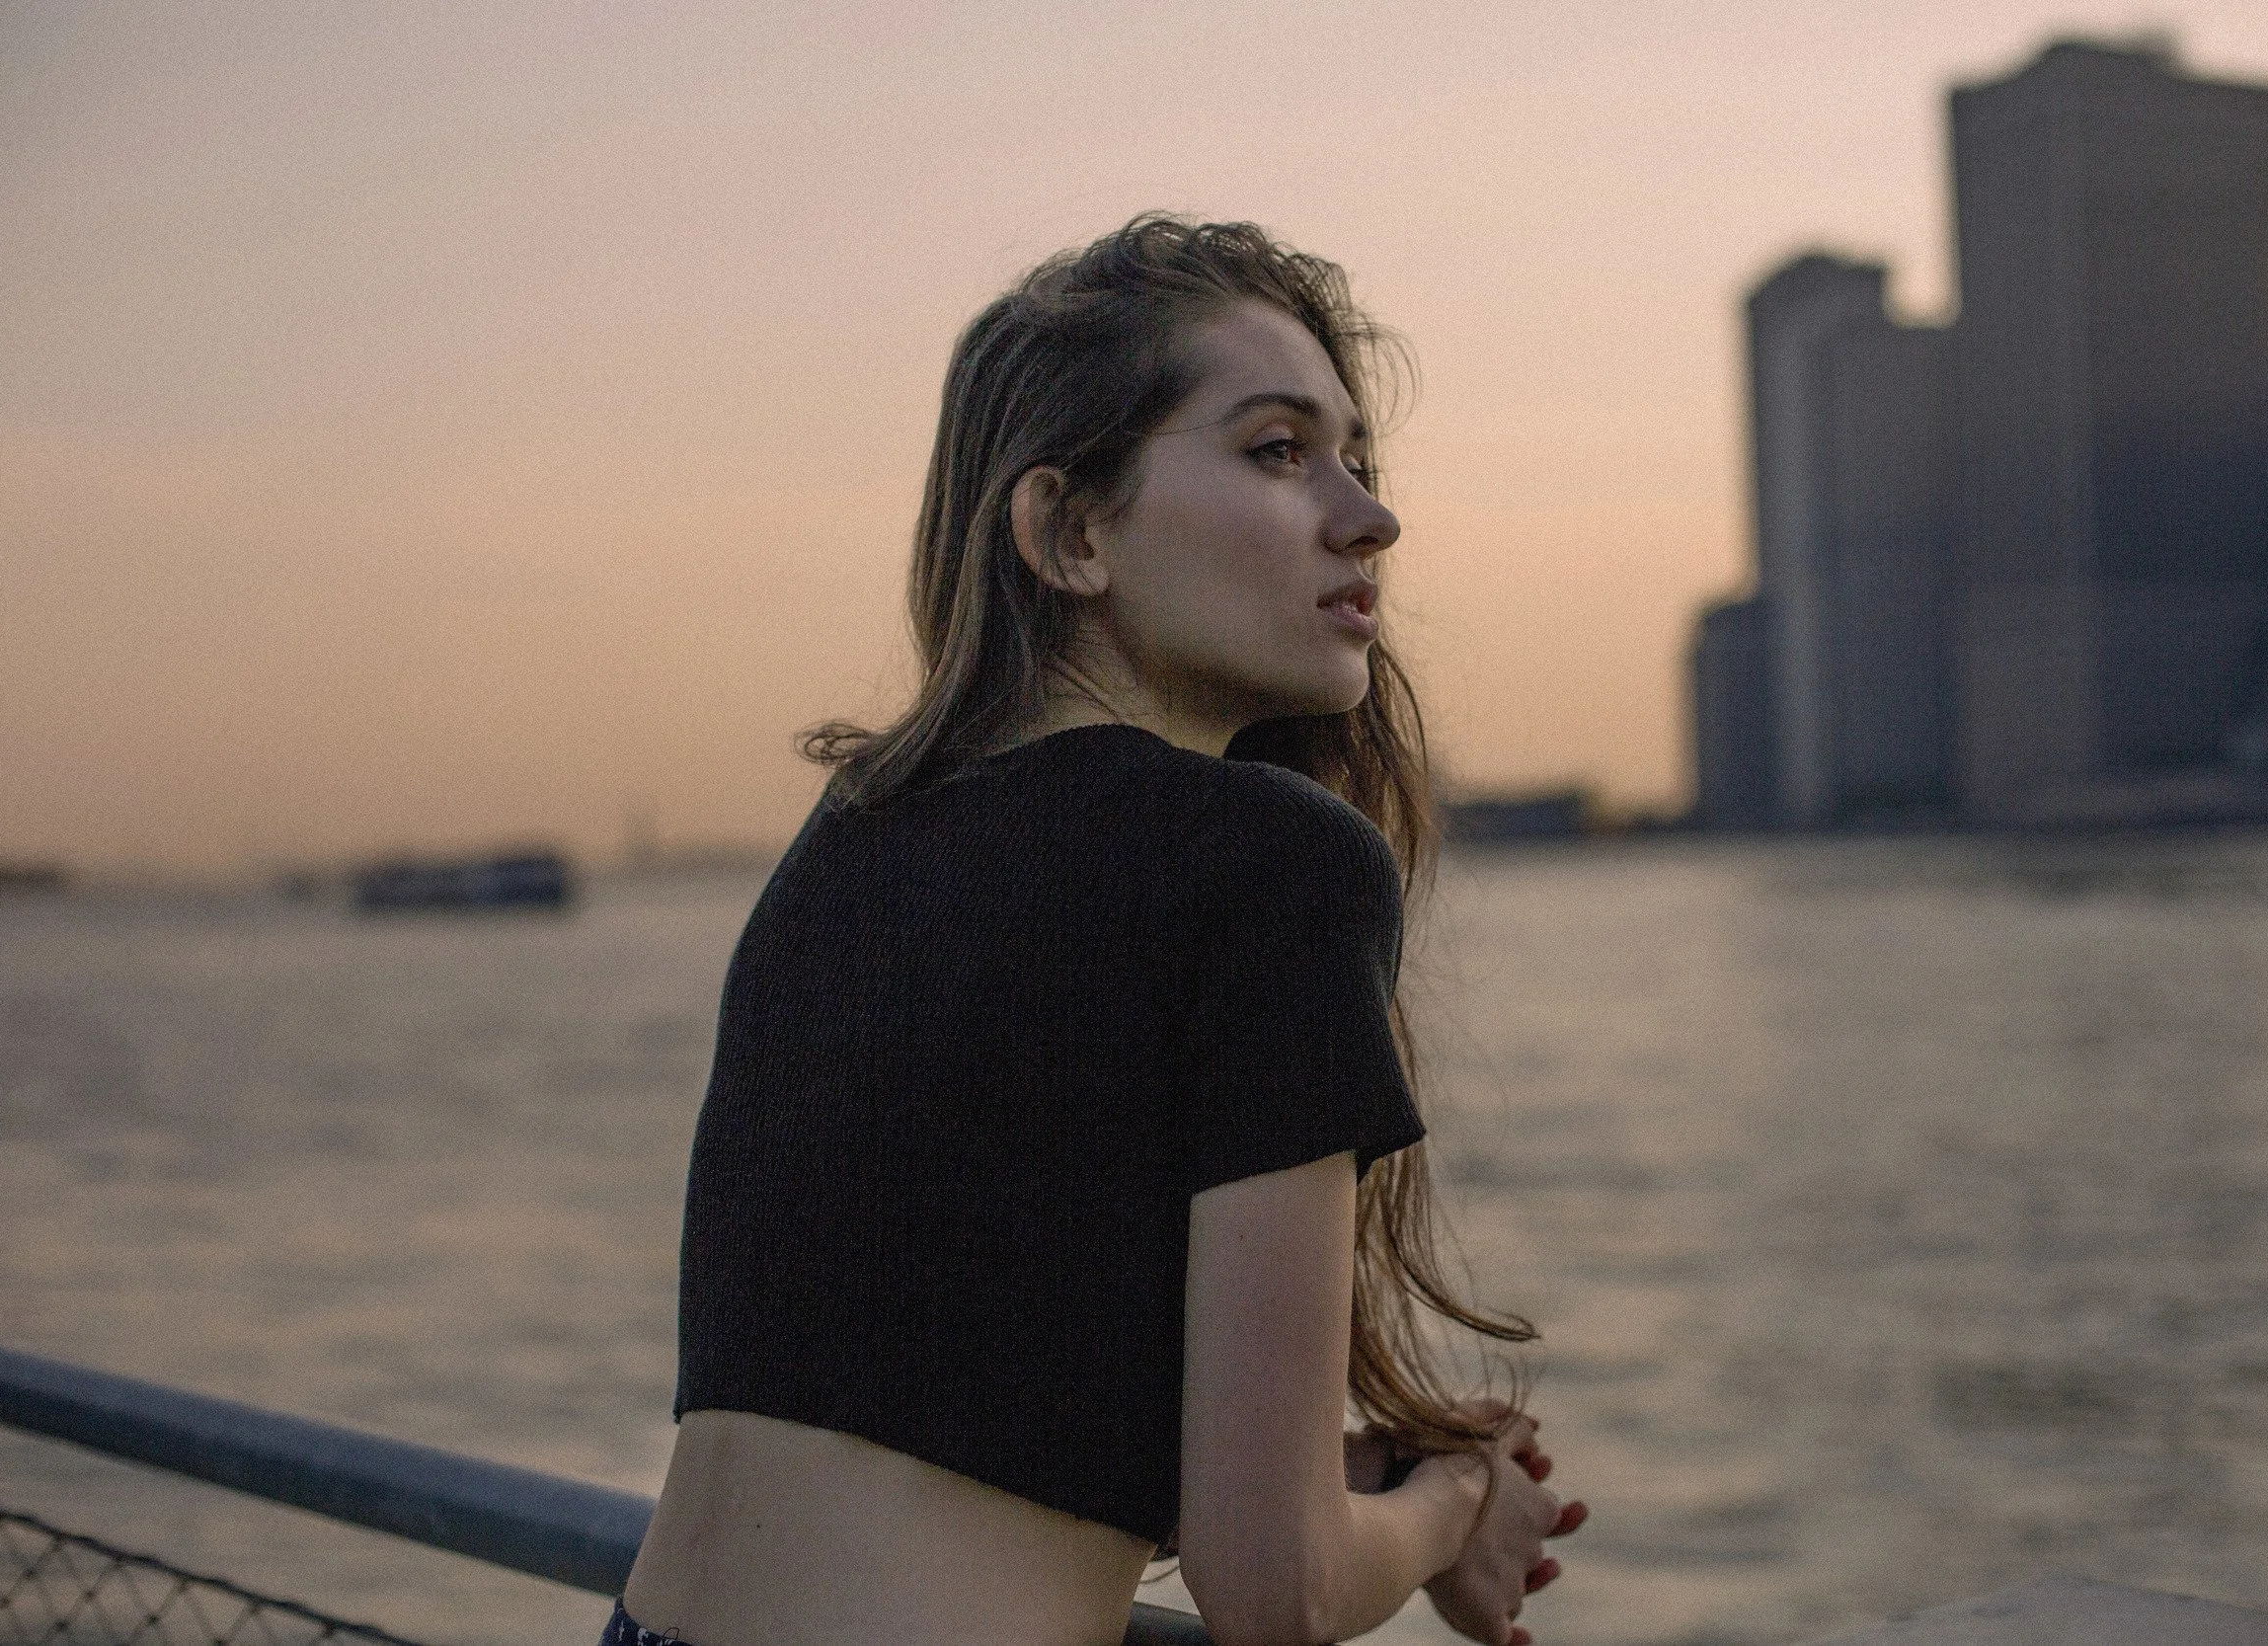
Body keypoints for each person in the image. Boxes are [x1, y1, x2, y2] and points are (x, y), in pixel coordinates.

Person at [611, 214, 1585, 1646]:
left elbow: (954, 1394)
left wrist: (1321, 1467)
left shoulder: (851, 840)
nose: (1368, 516)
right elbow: (1281, 1587)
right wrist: (1456, 1500)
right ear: (1070, 532)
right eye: (1275, 449)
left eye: (1357, 460)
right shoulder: (1276, 862)